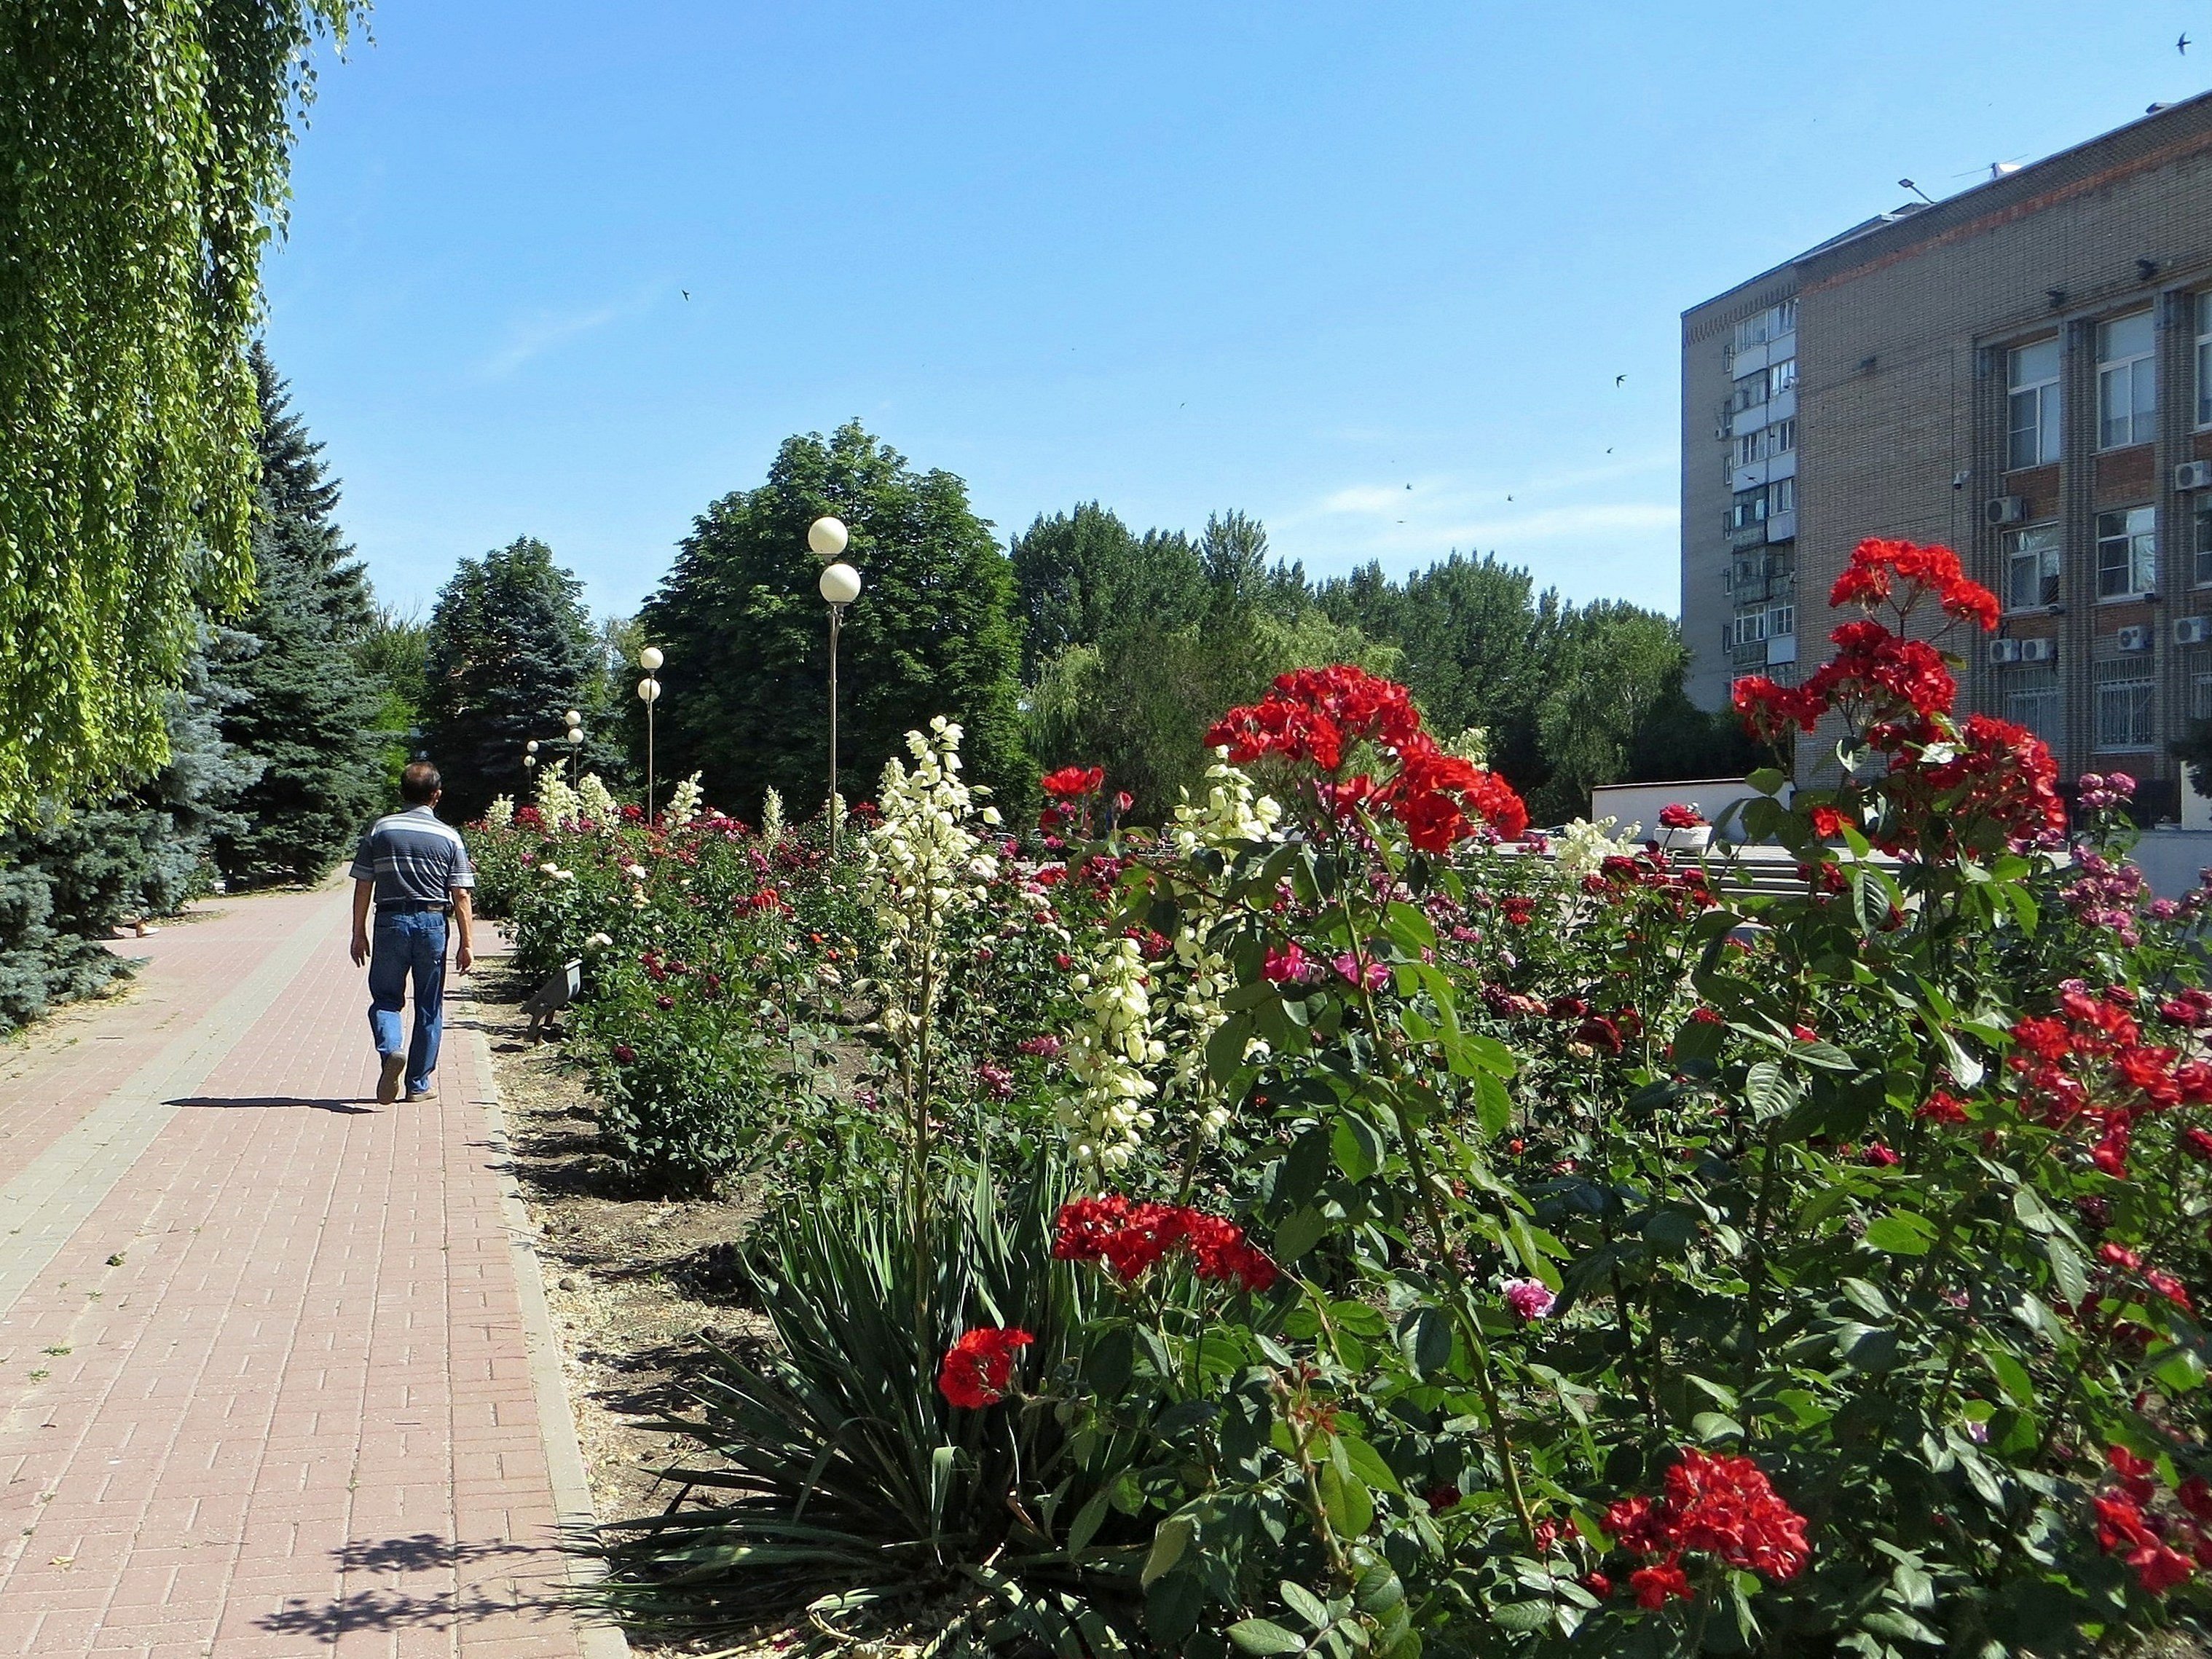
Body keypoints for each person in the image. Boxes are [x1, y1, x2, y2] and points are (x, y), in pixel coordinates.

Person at [349, 762, 475, 1104]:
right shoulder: (449, 836)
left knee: (386, 999)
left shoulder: (380, 830)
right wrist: (467, 943)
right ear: (436, 796)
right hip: (433, 924)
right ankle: (418, 1084)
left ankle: (392, 1049)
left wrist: (358, 932)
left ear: (402, 793)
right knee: (429, 1006)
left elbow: (364, 883)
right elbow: (461, 894)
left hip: (390, 922)